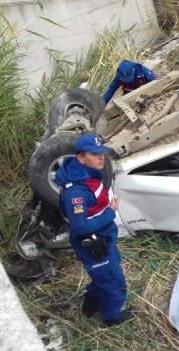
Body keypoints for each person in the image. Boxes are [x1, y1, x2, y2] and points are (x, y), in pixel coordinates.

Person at [55, 133, 132, 326]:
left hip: (103, 238)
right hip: (93, 243)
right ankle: (112, 317)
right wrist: (110, 212)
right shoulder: (76, 193)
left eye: (102, 153)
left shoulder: (84, 173)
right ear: (81, 157)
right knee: (113, 281)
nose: (101, 158)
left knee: (103, 274)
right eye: (94, 154)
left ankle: (90, 304)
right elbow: (80, 227)